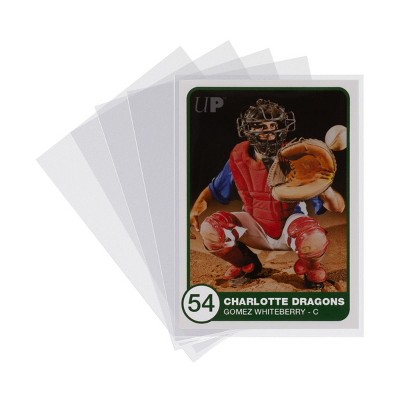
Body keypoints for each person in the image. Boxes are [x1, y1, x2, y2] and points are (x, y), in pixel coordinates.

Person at [189, 99, 345, 289]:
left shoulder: (295, 157)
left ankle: (310, 266)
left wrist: (325, 187)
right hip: (254, 227)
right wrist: (196, 208)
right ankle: (246, 263)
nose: (270, 131)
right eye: (261, 126)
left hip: (290, 229)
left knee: (314, 238)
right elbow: (213, 189)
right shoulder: (239, 157)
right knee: (211, 229)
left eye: (273, 125)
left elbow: (338, 207)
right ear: (248, 130)